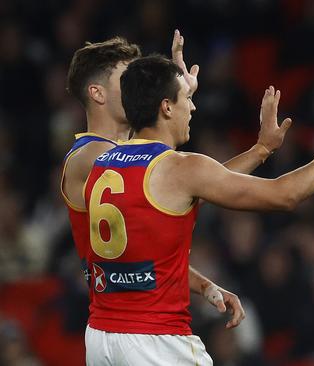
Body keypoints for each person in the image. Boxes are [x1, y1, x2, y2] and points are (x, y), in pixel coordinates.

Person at [82, 54, 314, 365]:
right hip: (156, 341)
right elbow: (287, 195)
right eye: (187, 97)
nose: (193, 107)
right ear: (166, 107)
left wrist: (261, 150)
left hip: (101, 338)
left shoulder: (104, 164)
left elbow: (193, 198)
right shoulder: (180, 168)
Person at [61, 31, 289, 344]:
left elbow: (186, 191)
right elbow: (191, 183)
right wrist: (172, 96)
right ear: (97, 93)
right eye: (126, 76)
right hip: (135, 328)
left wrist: (204, 285)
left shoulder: (124, 156)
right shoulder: (94, 156)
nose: (135, 82)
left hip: (121, 326)